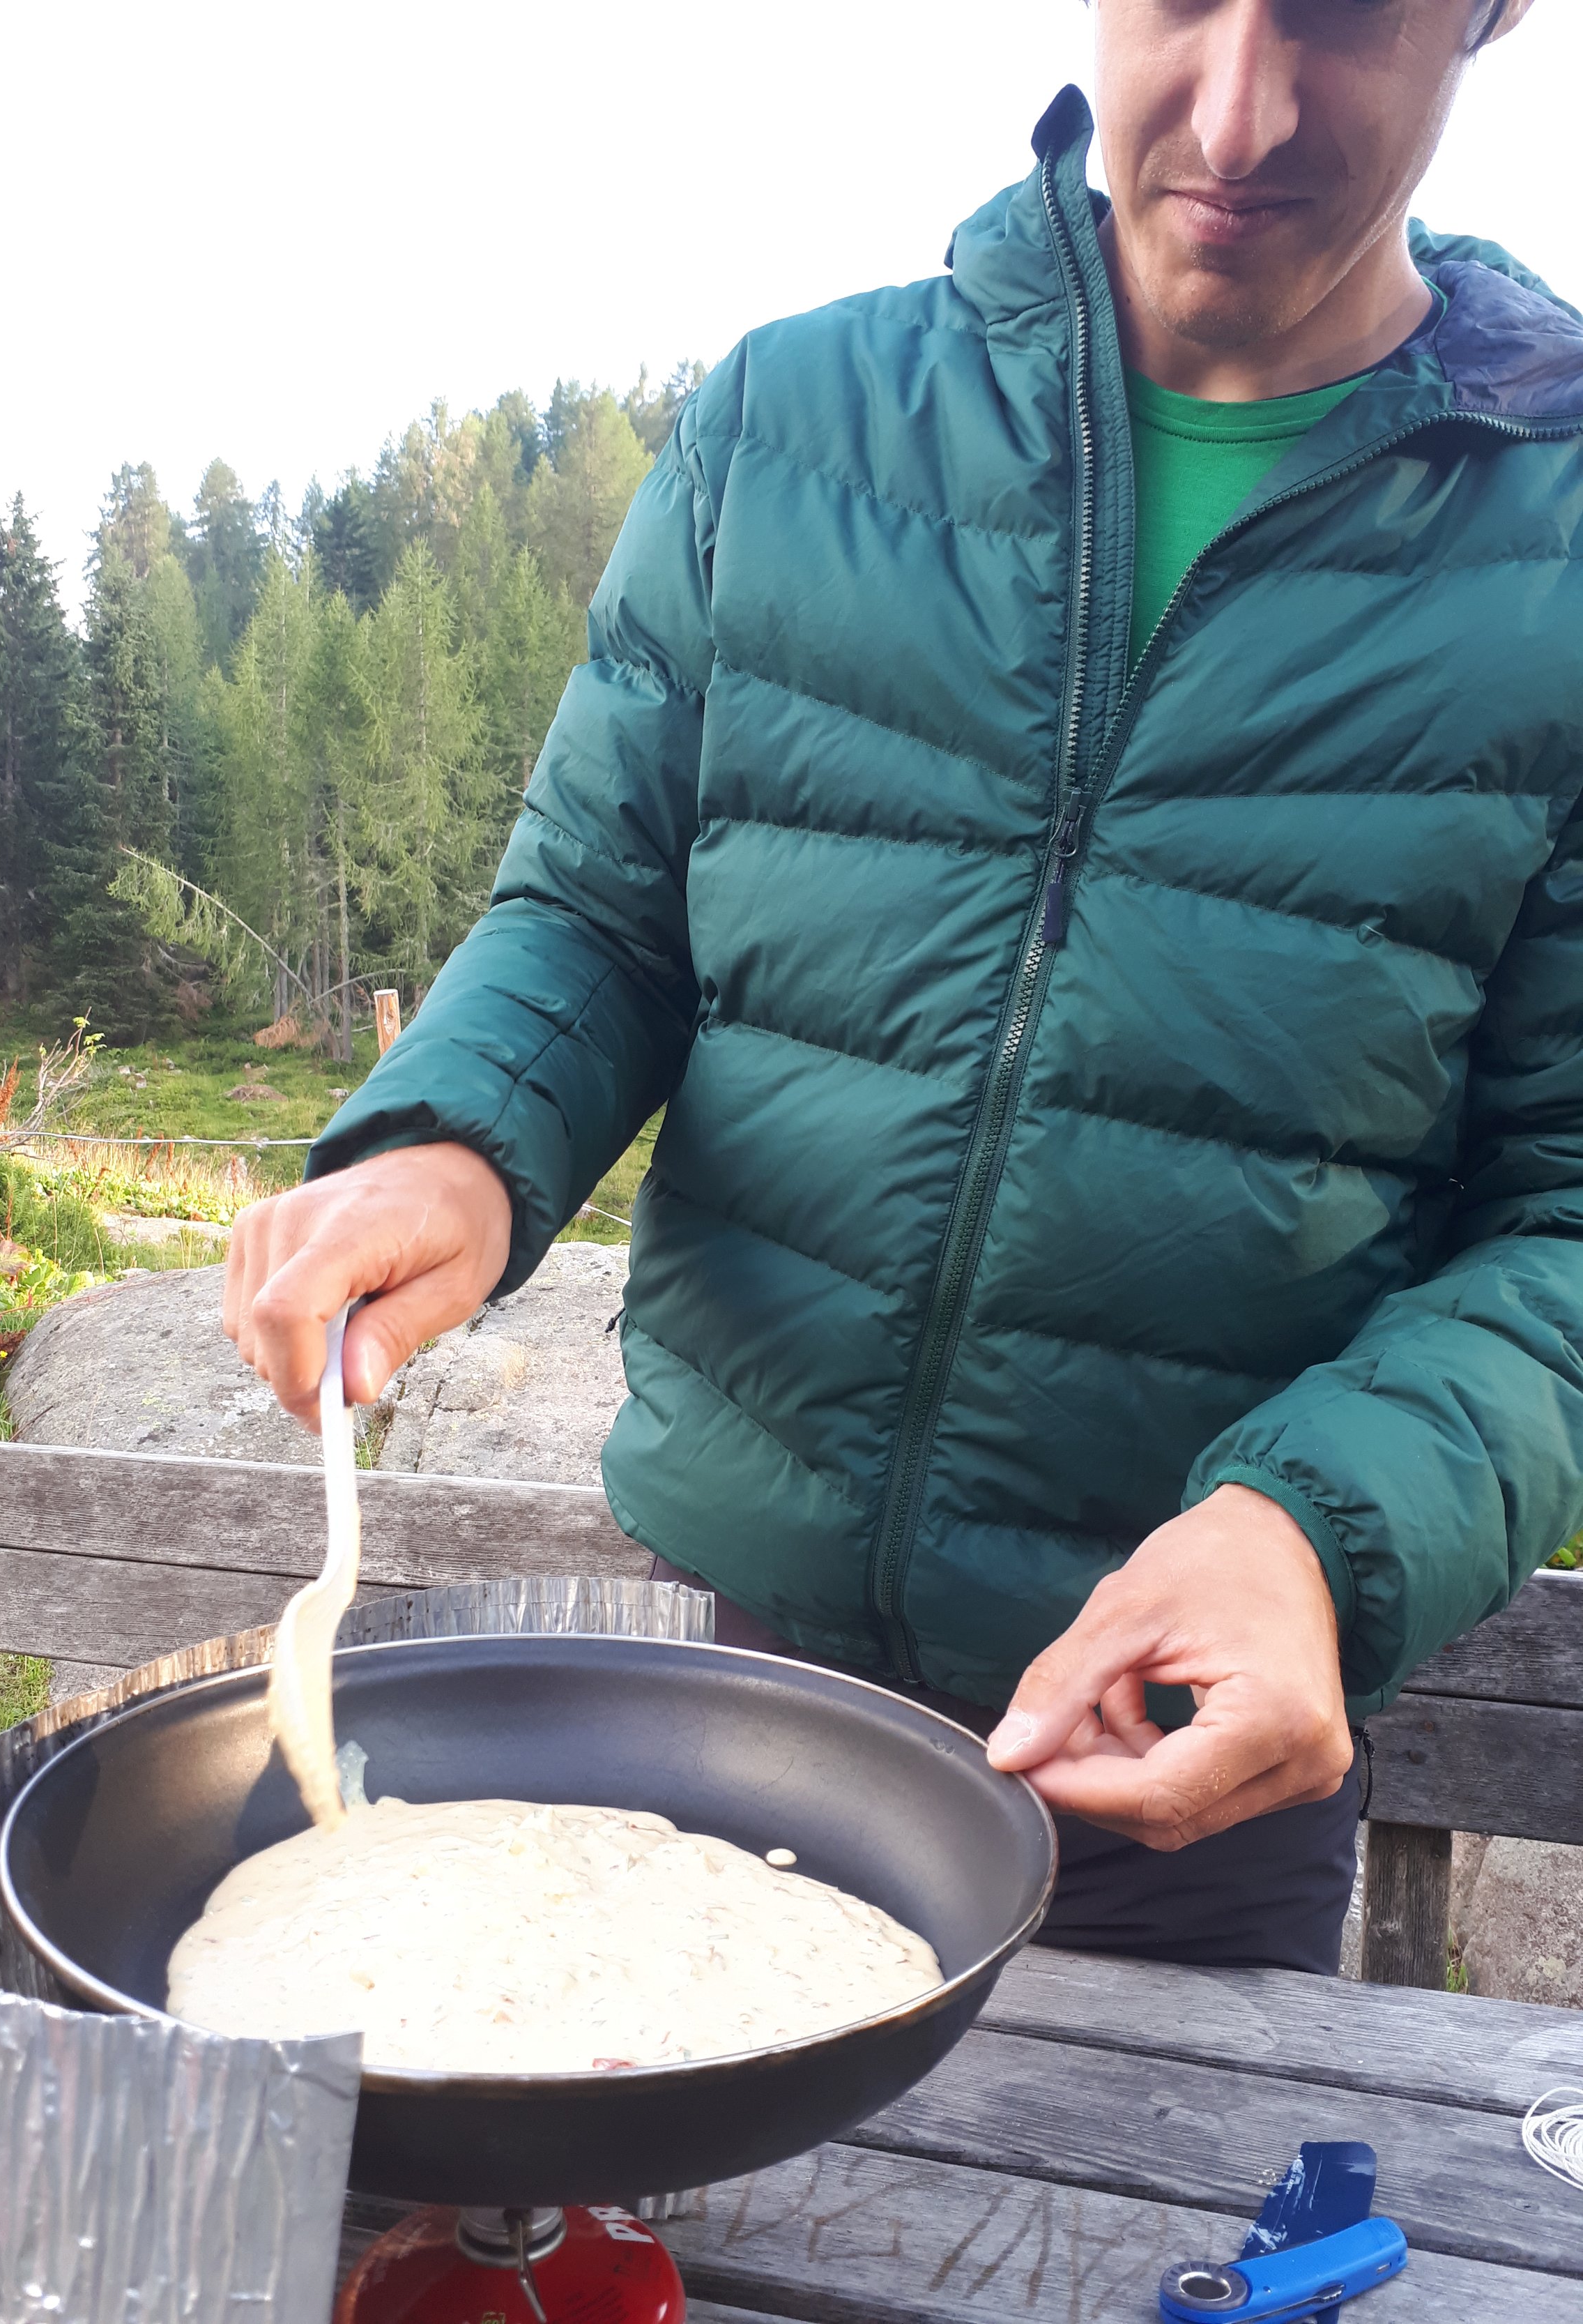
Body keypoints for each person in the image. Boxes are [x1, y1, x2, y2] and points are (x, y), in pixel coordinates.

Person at [224, 0, 1583, 1973]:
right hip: (723, 1696)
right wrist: (455, 1144)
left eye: (1341, 13)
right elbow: (599, 919)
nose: (1236, 111)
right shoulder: (786, 422)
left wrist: (1314, 1533)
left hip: (1175, 1756)